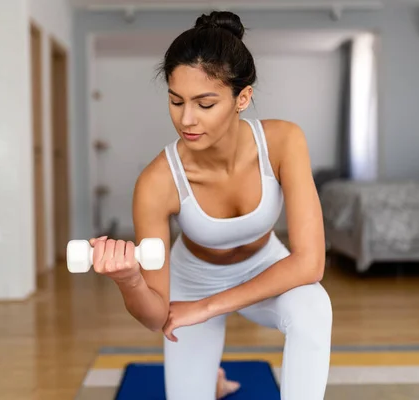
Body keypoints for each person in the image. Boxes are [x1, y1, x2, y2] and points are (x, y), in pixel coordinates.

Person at [88, 10, 333, 400]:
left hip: (268, 268)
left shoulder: (284, 141)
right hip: (192, 280)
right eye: (176, 101)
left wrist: (207, 308)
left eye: (205, 104)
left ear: (243, 98)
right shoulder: (156, 182)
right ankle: (210, 382)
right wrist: (129, 278)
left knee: (314, 309)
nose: (187, 120)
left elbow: (310, 263)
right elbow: (155, 316)